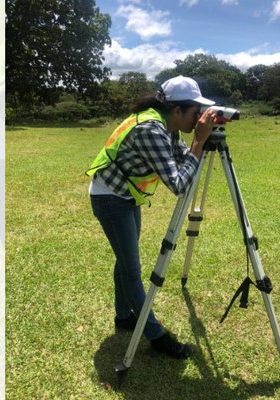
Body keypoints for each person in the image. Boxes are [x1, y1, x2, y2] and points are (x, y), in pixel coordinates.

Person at [86, 76, 218, 359]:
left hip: (125, 195)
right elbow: (179, 184)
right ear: (178, 110)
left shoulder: (168, 127)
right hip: (110, 198)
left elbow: (183, 158)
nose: (199, 118)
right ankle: (157, 337)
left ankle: (124, 317)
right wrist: (199, 142)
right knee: (132, 270)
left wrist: (196, 144)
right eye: (196, 112)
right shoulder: (151, 129)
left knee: (126, 259)